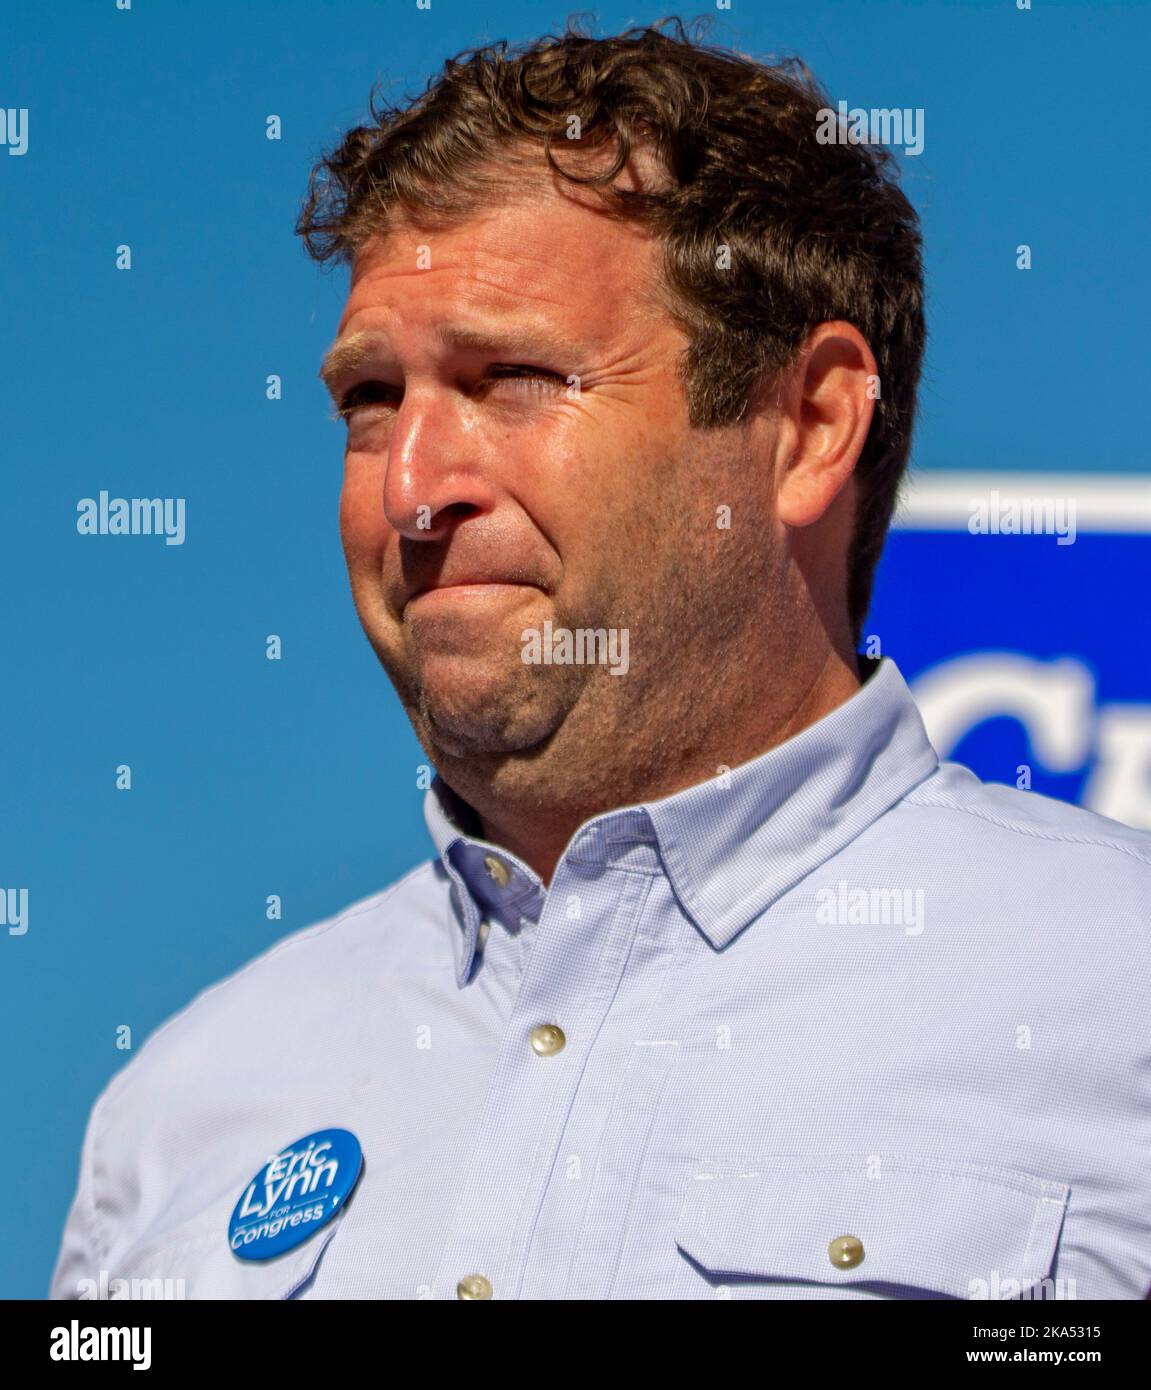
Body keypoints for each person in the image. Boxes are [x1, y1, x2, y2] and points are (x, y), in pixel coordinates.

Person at [51, 18, 1151, 1301]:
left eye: (511, 377)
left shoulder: (1108, 992)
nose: (410, 489)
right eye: (369, 401)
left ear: (805, 428)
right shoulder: (177, 1111)